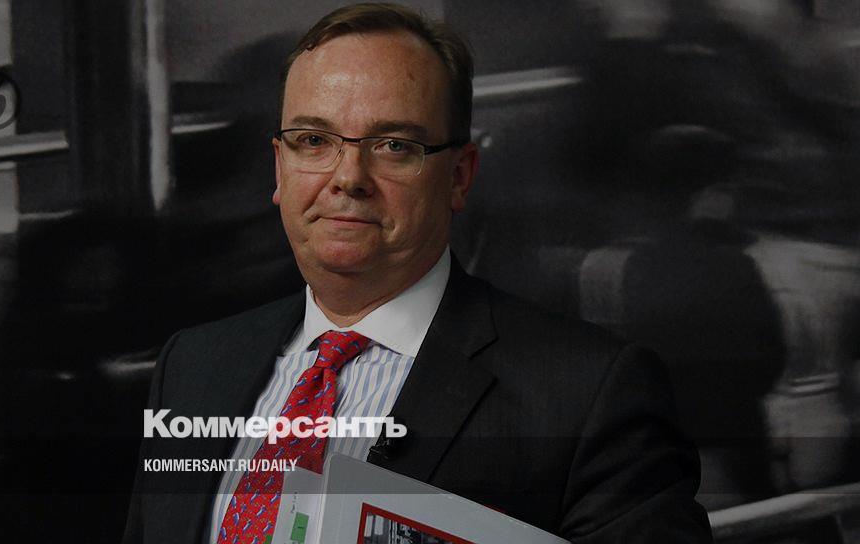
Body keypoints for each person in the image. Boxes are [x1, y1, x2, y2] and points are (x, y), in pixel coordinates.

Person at [124, 3, 713, 543]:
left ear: (459, 176)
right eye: (313, 140)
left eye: (394, 146)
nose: (347, 177)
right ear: (279, 168)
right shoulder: (192, 369)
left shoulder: (589, 398)